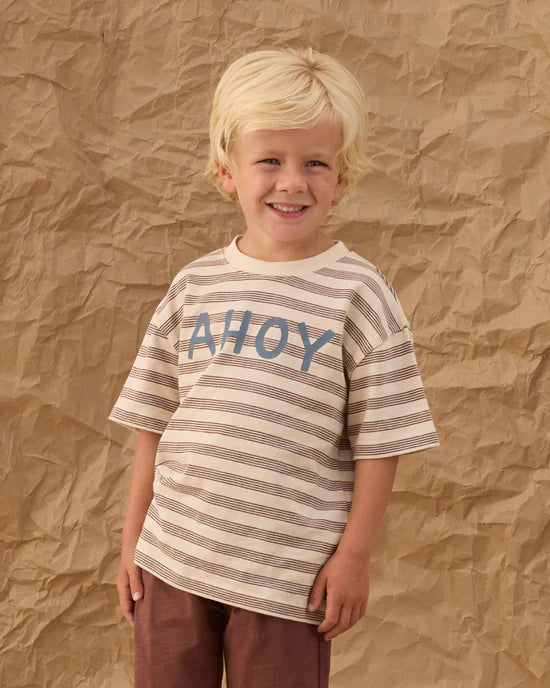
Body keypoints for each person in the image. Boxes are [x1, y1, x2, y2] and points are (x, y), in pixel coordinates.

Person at [108, 45, 440, 688]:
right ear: (226, 170)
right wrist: (132, 544)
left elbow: (383, 442)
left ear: (342, 177)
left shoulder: (360, 295)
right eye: (270, 160)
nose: (292, 182)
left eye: (315, 162)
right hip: (172, 559)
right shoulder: (194, 286)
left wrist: (355, 557)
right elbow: (153, 424)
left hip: (287, 578)